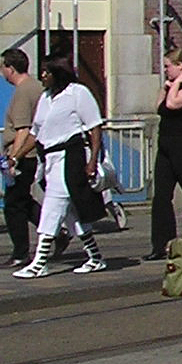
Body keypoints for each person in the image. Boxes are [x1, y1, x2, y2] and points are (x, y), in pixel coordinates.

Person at [16, 55, 108, 277]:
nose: (42, 76)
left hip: (71, 157)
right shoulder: (45, 98)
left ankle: (40, 261)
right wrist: (16, 156)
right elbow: (35, 132)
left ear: (59, 73)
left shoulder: (78, 93)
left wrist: (92, 161)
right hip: (49, 159)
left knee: (53, 205)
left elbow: (95, 128)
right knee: (70, 212)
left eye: (46, 72)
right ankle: (95, 257)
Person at [149, 48, 182, 263]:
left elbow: (173, 104)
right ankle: (162, 243)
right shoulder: (172, 87)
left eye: (168, 66)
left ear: (180, 66)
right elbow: (159, 107)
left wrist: (178, 84)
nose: (165, 71)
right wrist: (165, 88)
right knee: (161, 195)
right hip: (166, 146)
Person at [0, 48, 42, 268]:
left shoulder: (24, 91)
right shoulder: (36, 87)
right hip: (28, 155)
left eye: (2, 67)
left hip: (23, 156)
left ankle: (20, 253)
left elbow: (23, 129)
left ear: (10, 68)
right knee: (24, 201)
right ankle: (57, 230)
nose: (1, 72)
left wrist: (13, 158)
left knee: (13, 205)